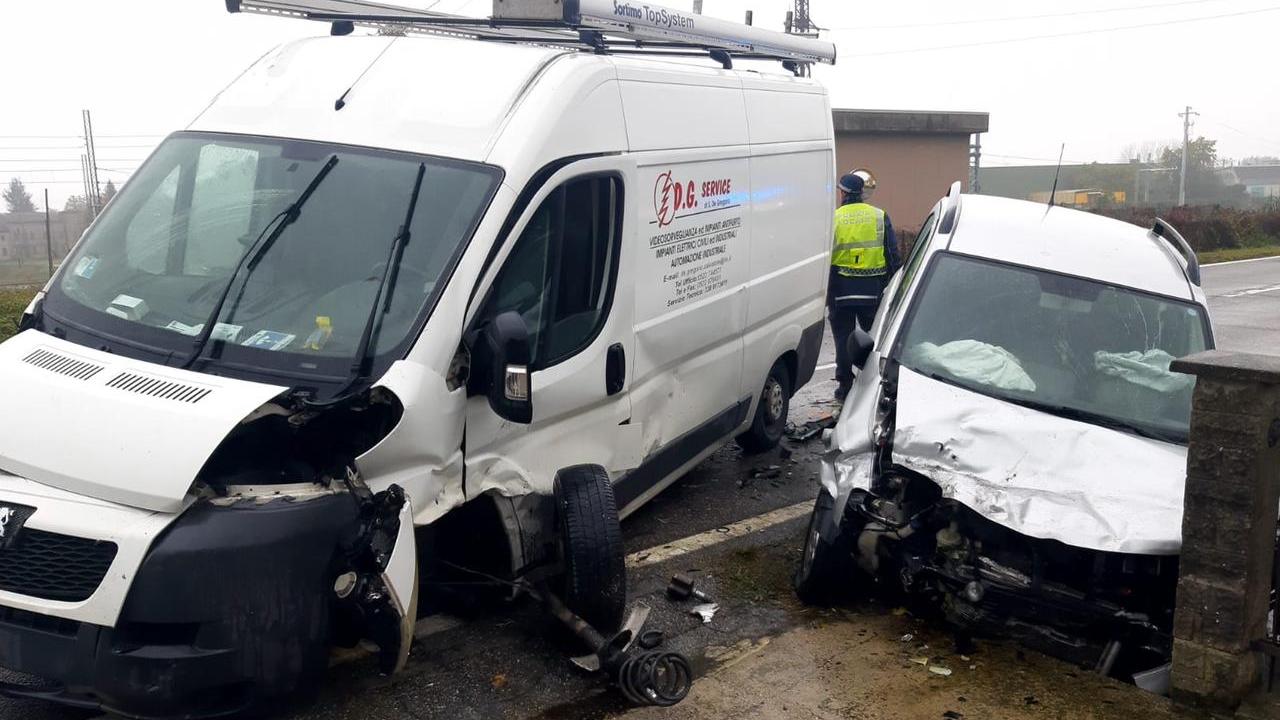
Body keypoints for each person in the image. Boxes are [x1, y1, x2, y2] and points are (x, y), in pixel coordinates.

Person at [829, 172, 900, 402]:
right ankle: (874, 381)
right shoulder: (879, 216)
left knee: (843, 338)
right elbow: (892, 255)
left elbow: (825, 256)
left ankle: (844, 386)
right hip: (872, 290)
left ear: (843, 193)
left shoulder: (834, 218)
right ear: (861, 193)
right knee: (875, 337)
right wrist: (894, 284)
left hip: (841, 290)